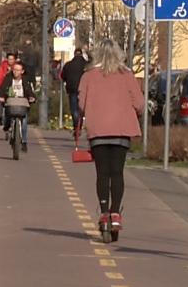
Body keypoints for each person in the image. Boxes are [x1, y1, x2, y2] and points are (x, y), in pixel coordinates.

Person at [78, 39, 144, 235]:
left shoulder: (88, 76)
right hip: (122, 130)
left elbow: (81, 104)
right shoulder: (127, 75)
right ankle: (116, 214)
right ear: (119, 54)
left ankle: (104, 212)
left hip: (98, 130)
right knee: (117, 172)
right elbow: (140, 103)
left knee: (102, 173)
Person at [0, 62, 35, 153]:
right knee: (8, 115)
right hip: (11, 101)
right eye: (14, 70)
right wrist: (1, 97)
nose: (16, 72)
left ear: (22, 71)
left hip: (22, 102)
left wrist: (32, 97)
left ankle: (24, 142)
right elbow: (2, 88)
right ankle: (7, 127)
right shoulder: (8, 79)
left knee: (24, 121)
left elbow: (29, 90)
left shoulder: (25, 80)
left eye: (18, 70)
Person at [61, 48, 88, 133]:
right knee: (82, 107)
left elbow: (62, 76)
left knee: (74, 108)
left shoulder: (68, 64)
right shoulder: (86, 65)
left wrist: (67, 81)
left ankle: (76, 124)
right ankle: (79, 123)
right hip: (84, 89)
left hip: (72, 89)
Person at [0, 52, 18, 122]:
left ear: (15, 60)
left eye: (12, 59)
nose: (11, 61)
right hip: (4, 86)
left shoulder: (17, 67)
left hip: (14, 86)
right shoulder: (3, 66)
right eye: (9, 59)